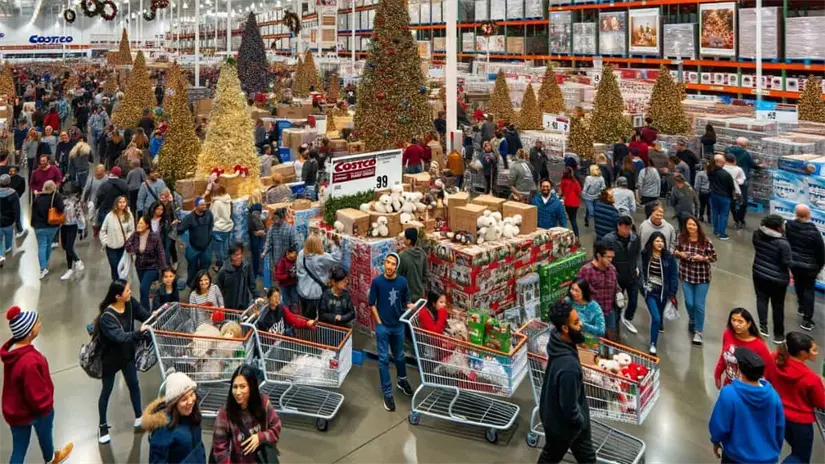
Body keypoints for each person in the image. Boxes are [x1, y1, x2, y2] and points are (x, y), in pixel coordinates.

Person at [1, 306, 74, 464]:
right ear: (29, 333)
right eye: (36, 323)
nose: (39, 324)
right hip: (35, 412)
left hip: (15, 411)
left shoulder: (13, 352)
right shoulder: (30, 361)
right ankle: (51, 459)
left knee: (19, 450)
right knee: (45, 437)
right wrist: (48, 409)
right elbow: (36, 396)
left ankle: (50, 458)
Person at [537, 300, 596, 464]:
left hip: (557, 416)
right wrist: (580, 420)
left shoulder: (558, 341)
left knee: (587, 457)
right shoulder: (568, 367)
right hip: (564, 425)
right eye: (576, 323)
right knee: (550, 457)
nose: (581, 325)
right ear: (565, 328)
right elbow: (568, 406)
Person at [96, 279, 153, 444]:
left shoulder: (129, 302)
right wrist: (139, 333)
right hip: (110, 359)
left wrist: (154, 318)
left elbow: (144, 315)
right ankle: (102, 426)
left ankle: (138, 416)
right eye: (127, 291)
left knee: (134, 384)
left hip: (127, 356)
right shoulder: (107, 317)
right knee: (106, 391)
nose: (130, 292)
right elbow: (120, 337)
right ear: (117, 296)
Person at [709, 347, 785, 464]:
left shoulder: (729, 394)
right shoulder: (773, 396)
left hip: (736, 457)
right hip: (767, 459)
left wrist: (715, 440)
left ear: (739, 369)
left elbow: (720, 425)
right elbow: (779, 427)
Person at [766, 332, 825, 464]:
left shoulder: (774, 358)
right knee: (800, 457)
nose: (816, 353)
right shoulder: (810, 378)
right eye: (813, 350)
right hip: (800, 423)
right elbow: (821, 402)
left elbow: (767, 377)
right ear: (803, 353)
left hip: (778, 414)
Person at [370, 253, 414, 411]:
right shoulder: (377, 282)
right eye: (387, 262)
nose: (389, 266)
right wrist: (379, 322)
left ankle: (402, 380)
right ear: (384, 264)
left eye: (393, 264)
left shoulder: (402, 282)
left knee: (400, 356)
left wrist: (410, 306)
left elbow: (406, 299)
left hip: (398, 326)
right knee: (383, 359)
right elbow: (371, 303)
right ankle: (387, 393)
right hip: (383, 327)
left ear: (397, 266)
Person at [211, 365, 282, 464]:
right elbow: (220, 450)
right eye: (235, 387)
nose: (238, 392)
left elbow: (276, 427)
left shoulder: (263, 403)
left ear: (251, 387)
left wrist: (260, 437)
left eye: (243, 387)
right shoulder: (225, 412)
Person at [142, 371, 204, 464]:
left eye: (192, 394)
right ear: (173, 403)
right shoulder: (162, 431)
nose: (190, 401)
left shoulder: (193, 416)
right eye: (184, 399)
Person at [674, 216, 716, 346]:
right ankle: (692, 319)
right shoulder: (681, 238)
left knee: (699, 305)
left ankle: (698, 332)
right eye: (688, 224)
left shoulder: (705, 241)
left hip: (702, 277)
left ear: (698, 226)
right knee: (689, 303)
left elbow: (714, 257)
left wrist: (702, 258)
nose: (691, 227)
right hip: (686, 275)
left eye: (693, 224)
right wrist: (681, 254)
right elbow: (675, 251)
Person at [752, 214, 792, 344]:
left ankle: (763, 326)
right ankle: (778, 335)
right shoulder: (783, 243)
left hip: (758, 273)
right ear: (778, 227)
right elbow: (786, 262)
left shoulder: (757, 235)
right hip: (778, 279)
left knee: (761, 299)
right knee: (778, 305)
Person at [785, 204, 825, 331]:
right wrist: (818, 267)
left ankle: (801, 306)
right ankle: (807, 320)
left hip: (794, 263)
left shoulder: (788, 226)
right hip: (809, 266)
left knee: (798, 284)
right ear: (808, 215)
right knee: (809, 290)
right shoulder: (814, 233)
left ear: (796, 214)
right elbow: (821, 252)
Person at [714, 308, 774, 388]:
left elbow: (769, 368)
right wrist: (717, 374)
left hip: (749, 389)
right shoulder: (727, 334)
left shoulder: (759, 345)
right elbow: (723, 355)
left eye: (740, 321)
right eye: (733, 320)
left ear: (749, 324)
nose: (736, 324)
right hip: (730, 385)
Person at [640, 231, 678, 355]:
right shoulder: (645, 254)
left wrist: (672, 293)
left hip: (663, 293)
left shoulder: (669, 257)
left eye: (661, 241)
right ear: (651, 242)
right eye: (657, 241)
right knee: (655, 317)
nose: (660, 243)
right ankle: (653, 344)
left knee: (659, 315)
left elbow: (673, 275)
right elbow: (641, 271)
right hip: (650, 291)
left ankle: (659, 326)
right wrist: (643, 287)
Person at [604, 216, 641, 335]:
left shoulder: (635, 238)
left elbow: (638, 254)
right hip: (616, 277)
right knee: (617, 303)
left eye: (629, 228)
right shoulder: (609, 240)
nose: (627, 231)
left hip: (632, 275)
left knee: (634, 301)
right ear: (618, 226)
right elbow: (603, 257)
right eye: (624, 228)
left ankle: (628, 317)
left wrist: (637, 266)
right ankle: (616, 324)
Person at [577, 242, 619, 340]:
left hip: (609, 312)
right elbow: (578, 291)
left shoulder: (612, 269)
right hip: (592, 315)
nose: (610, 260)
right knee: (594, 341)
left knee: (610, 340)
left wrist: (618, 292)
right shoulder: (586, 271)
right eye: (607, 257)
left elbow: (615, 285)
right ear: (599, 256)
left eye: (612, 257)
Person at [125, 216, 166, 310]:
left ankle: (145, 312)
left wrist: (163, 268)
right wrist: (132, 250)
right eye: (138, 223)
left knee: (143, 288)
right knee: (145, 290)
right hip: (139, 266)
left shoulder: (154, 236)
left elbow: (161, 252)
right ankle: (148, 307)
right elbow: (127, 244)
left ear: (147, 225)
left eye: (141, 223)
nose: (139, 225)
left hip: (152, 266)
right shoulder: (135, 235)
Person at [297, 234, 342, 318]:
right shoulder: (320, 258)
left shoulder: (301, 254)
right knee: (315, 318)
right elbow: (337, 258)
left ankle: (304, 328)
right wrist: (333, 245)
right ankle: (312, 330)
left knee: (305, 315)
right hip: (314, 294)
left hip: (302, 291)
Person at [178, 197, 214, 288]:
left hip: (206, 248)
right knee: (192, 269)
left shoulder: (209, 214)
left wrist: (209, 239)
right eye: (202, 205)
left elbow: (211, 225)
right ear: (196, 206)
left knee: (205, 267)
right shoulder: (189, 218)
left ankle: (204, 285)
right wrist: (184, 242)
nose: (204, 206)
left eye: (205, 204)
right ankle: (192, 286)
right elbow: (180, 230)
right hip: (193, 248)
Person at [31, 180, 63, 279]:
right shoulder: (56, 197)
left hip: (39, 227)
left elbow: (33, 212)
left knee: (41, 246)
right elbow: (61, 209)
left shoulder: (37, 199)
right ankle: (45, 262)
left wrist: (33, 224)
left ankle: (43, 267)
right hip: (52, 226)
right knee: (48, 244)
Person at [726, 137, 759, 229]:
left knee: (732, 199)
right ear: (745, 145)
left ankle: (736, 219)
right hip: (742, 179)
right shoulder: (745, 153)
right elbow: (753, 165)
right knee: (743, 201)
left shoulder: (728, 150)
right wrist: (760, 166)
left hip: (730, 178)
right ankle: (741, 219)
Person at [99, 195, 135, 281]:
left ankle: (121, 282)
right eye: (120, 202)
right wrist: (105, 241)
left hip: (123, 246)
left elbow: (131, 229)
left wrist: (127, 238)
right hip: (111, 246)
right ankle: (115, 281)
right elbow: (103, 230)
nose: (122, 204)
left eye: (124, 202)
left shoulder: (129, 215)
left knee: (122, 265)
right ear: (116, 204)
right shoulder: (109, 216)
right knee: (114, 265)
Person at [216, 243, 259, 310]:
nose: (238, 257)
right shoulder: (223, 270)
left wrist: (257, 296)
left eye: (240, 254)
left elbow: (252, 284)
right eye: (235, 255)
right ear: (231, 256)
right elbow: (217, 288)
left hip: (243, 304)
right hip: (228, 307)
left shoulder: (246, 266)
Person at [58, 183, 85, 280]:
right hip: (63, 226)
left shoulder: (75, 203)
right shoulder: (61, 200)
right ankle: (70, 269)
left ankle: (78, 261)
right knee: (65, 247)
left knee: (69, 247)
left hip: (72, 226)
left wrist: (82, 228)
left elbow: (79, 214)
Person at [398, 228, 429, 303]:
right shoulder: (422, 253)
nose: (403, 239)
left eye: (405, 237)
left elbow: (398, 277)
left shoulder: (402, 256)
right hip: (420, 294)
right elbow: (426, 274)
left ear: (409, 241)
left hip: (407, 296)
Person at [709, 154, 736, 240]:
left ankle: (716, 230)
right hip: (724, 196)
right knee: (723, 215)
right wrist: (733, 197)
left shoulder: (710, 171)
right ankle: (722, 234)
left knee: (715, 213)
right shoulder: (726, 174)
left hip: (713, 195)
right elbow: (731, 187)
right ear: (720, 162)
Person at [0, 174, 23, 268]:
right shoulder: (13, 194)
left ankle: (0, 255)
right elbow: (16, 210)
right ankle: (8, 248)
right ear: (9, 182)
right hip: (9, 221)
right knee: (9, 237)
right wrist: (18, 222)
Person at [210, 184, 234, 270]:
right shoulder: (228, 199)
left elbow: (214, 216)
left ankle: (221, 267)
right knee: (226, 248)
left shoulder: (217, 203)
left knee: (218, 250)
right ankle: (227, 265)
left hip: (218, 228)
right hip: (227, 226)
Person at [723, 153, 746, 230]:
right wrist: (737, 181)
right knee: (735, 207)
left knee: (725, 207)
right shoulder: (738, 169)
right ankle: (737, 221)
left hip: (724, 190)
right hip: (735, 190)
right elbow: (742, 179)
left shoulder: (722, 168)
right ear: (734, 161)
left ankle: (723, 222)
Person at [559, 167, 581, 238]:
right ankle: (577, 234)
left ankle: (569, 234)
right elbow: (579, 191)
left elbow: (561, 192)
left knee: (570, 218)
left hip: (568, 202)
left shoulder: (563, 181)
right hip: (575, 202)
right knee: (574, 218)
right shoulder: (575, 181)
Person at [581, 164, 605, 228]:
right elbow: (585, 188)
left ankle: (591, 222)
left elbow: (603, 187)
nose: (599, 170)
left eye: (598, 169)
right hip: (588, 197)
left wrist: (600, 191)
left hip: (597, 197)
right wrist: (583, 195)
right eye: (597, 169)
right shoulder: (588, 178)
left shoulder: (601, 178)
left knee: (594, 211)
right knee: (591, 212)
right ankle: (588, 219)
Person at [247, 202, 266, 278]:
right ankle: (257, 272)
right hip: (256, 236)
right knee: (257, 255)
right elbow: (260, 227)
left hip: (252, 235)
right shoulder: (256, 213)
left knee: (254, 255)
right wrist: (264, 230)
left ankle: (255, 272)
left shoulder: (250, 211)